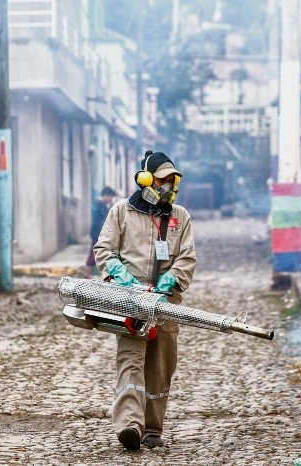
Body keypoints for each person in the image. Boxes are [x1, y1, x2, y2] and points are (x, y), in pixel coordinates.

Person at [93, 150, 196, 451]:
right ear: (146, 180)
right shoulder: (121, 212)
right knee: (130, 361)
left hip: (165, 305)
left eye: (172, 181)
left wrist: (171, 278)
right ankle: (130, 425)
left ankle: (152, 428)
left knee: (161, 367)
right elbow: (104, 250)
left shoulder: (180, 217)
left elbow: (187, 256)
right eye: (163, 180)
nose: (168, 187)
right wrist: (120, 275)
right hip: (130, 302)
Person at [83, 186, 117, 277]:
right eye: (110, 197)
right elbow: (107, 216)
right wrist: (111, 206)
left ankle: (89, 273)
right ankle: (87, 273)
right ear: (106, 195)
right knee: (95, 252)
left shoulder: (99, 204)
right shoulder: (100, 204)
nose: (111, 199)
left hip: (97, 232)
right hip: (98, 233)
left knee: (97, 251)